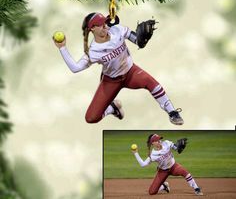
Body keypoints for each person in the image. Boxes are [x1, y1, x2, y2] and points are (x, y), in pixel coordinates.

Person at [53, 12, 184, 125]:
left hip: (131, 72)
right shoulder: (94, 51)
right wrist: (62, 48)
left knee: (152, 84)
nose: (104, 25)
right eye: (100, 24)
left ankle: (172, 112)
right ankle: (112, 108)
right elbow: (75, 68)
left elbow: (138, 41)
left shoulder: (117, 30)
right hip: (111, 81)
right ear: (92, 29)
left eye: (104, 21)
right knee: (91, 118)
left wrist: (142, 39)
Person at [131, 133, 203, 196]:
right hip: (163, 171)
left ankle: (196, 188)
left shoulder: (167, 143)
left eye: (159, 139)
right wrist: (135, 153)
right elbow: (143, 164)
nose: (159, 141)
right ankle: (164, 186)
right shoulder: (153, 155)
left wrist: (179, 147)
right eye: (157, 140)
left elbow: (176, 148)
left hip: (173, 166)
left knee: (185, 172)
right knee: (152, 192)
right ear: (153, 143)